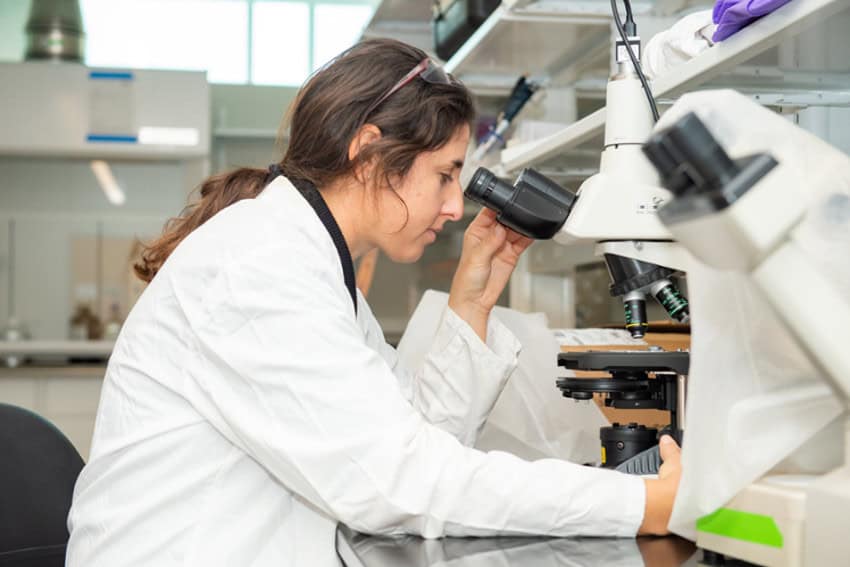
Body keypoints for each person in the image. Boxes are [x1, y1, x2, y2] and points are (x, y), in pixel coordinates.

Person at [66, 38, 681, 567]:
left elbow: (413, 438)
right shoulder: (259, 266)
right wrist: (642, 503)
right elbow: (399, 482)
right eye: (444, 175)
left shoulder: (312, 267)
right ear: (369, 155)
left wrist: (470, 304)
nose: (452, 206)